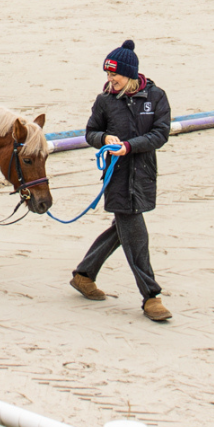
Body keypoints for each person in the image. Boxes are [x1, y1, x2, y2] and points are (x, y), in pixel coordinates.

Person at [71, 40, 173, 321]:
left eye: (114, 74)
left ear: (130, 74)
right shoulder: (104, 100)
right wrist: (103, 139)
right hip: (117, 178)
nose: (110, 79)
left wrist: (128, 146)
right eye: (107, 74)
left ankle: (84, 275)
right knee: (136, 235)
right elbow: (91, 132)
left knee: (123, 229)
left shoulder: (156, 97)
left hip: (144, 175)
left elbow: (160, 134)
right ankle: (151, 297)